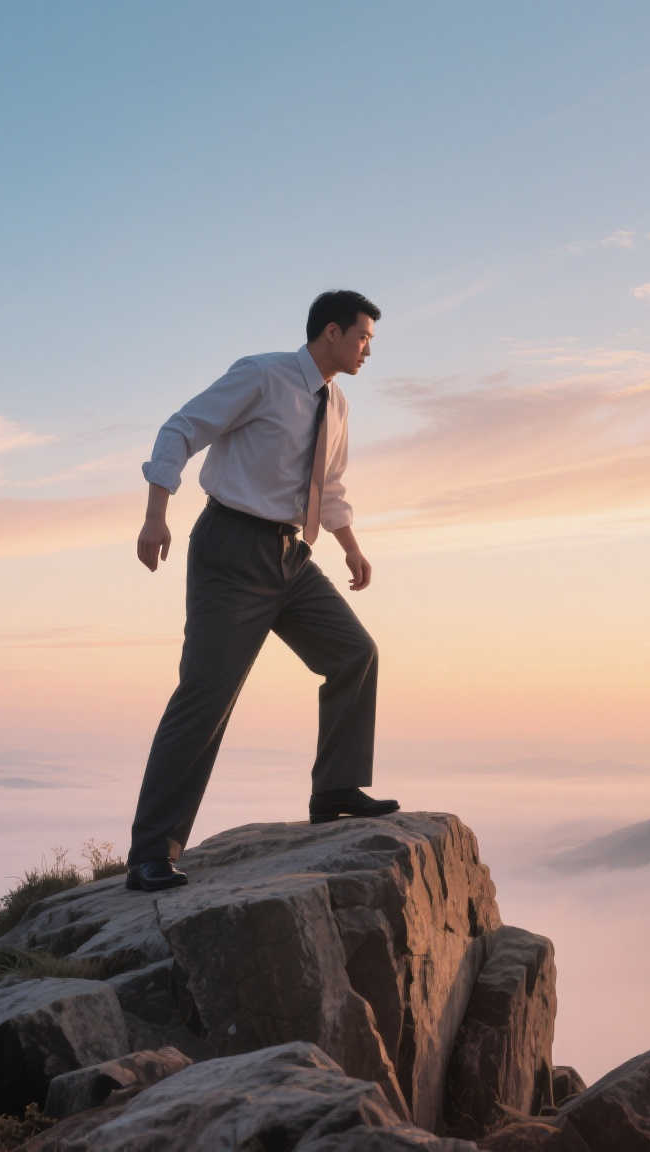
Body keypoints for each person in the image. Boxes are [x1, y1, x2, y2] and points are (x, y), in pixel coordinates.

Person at [125, 290, 399, 892]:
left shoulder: (338, 405)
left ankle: (334, 791)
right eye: (363, 338)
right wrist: (155, 514)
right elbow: (181, 428)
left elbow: (328, 485)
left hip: (291, 557)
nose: (367, 351)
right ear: (331, 332)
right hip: (231, 548)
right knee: (206, 696)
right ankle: (151, 853)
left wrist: (350, 545)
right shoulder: (263, 375)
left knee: (355, 653)